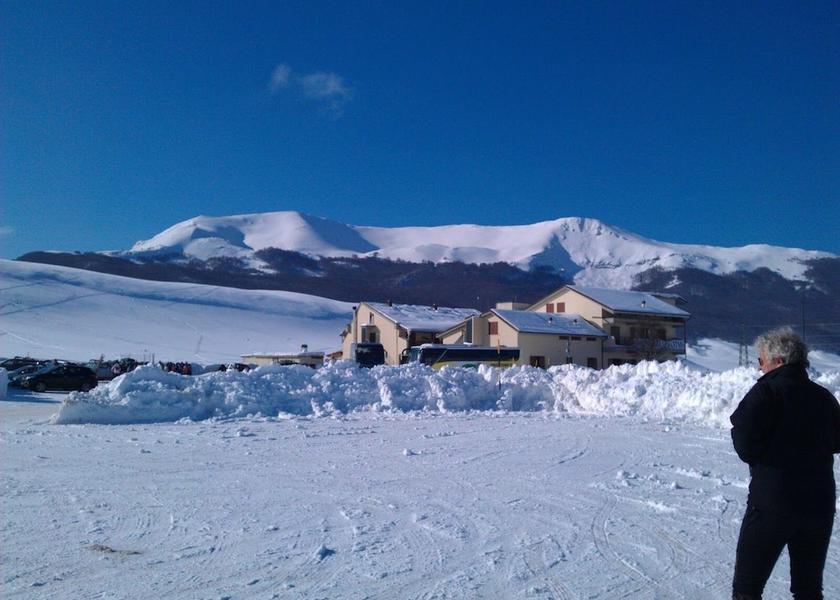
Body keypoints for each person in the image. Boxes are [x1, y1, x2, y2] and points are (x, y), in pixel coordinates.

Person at [730, 327, 840, 599]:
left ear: (778, 361)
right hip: (818, 505)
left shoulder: (766, 392)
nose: (759, 367)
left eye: (761, 360)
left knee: (748, 587)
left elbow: (744, 443)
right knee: (808, 588)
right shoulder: (824, 397)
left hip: (772, 504)